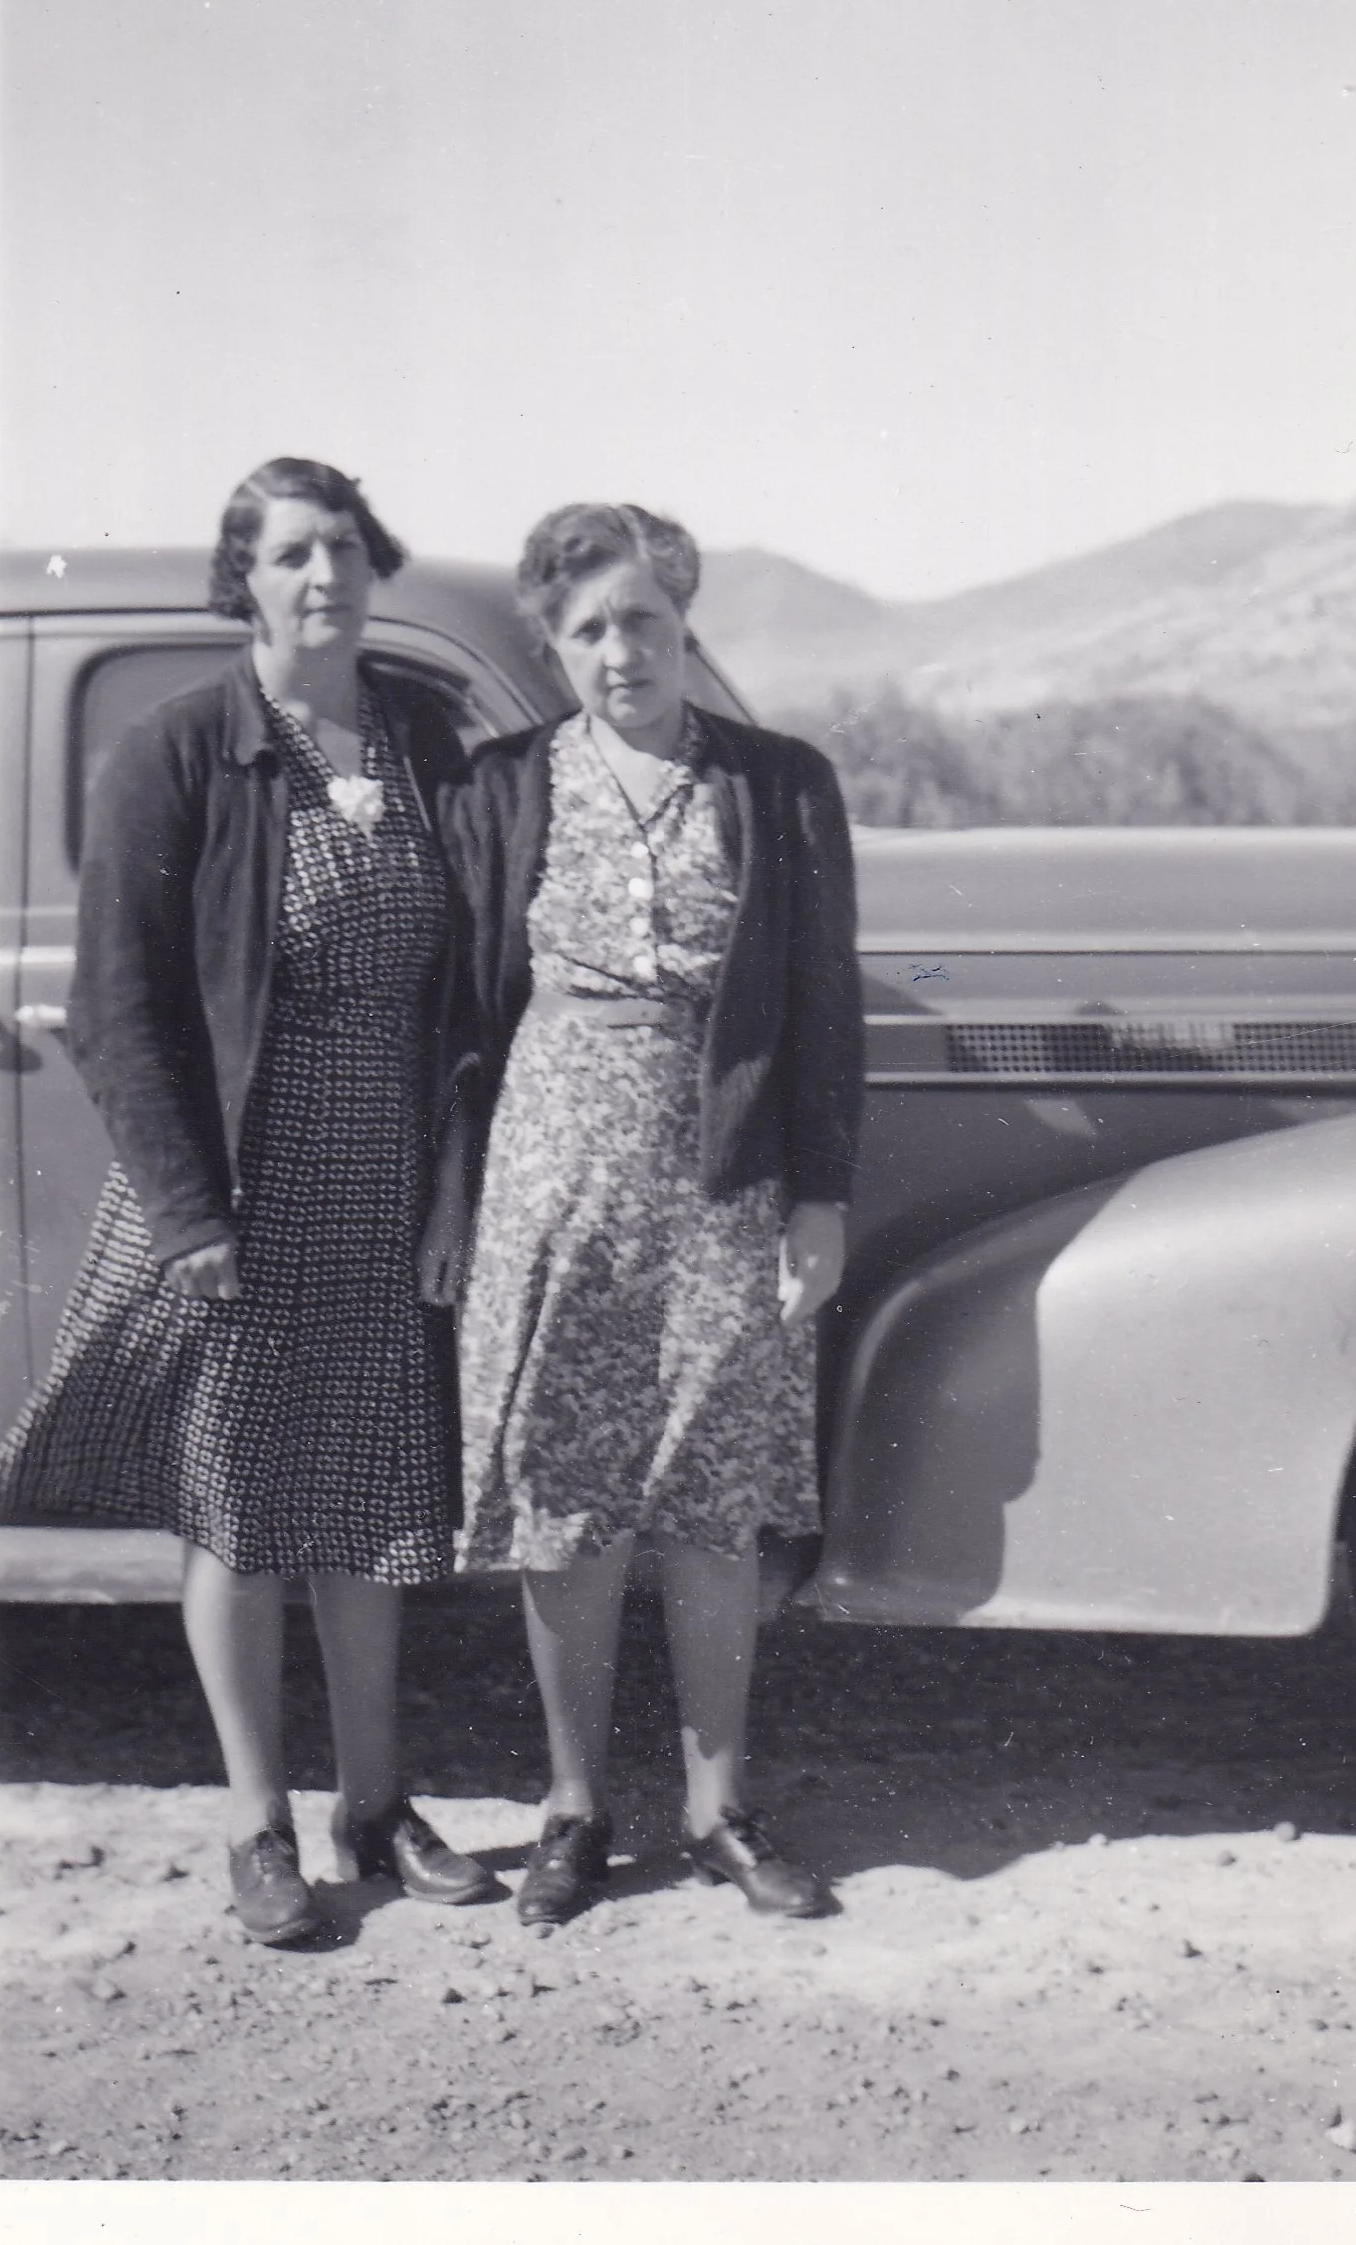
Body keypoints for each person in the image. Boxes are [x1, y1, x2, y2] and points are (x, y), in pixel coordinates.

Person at [0, 458, 495, 1946]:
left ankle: (377, 1802)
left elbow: (472, 993)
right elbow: (117, 1008)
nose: (323, 575)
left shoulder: (421, 740)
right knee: (238, 1505)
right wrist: (191, 1219)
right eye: (290, 554)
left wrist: (455, 1186)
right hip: (238, 1179)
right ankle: (258, 1822)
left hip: (390, 1173)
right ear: (246, 579)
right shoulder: (179, 750)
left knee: (372, 1502)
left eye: (344, 546)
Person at [434, 502, 864, 1927]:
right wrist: (453, 1202)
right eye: (588, 629)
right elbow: (455, 1022)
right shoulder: (501, 788)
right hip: (551, 1174)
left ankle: (719, 1808)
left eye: (645, 622)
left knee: (712, 1493)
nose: (621, 652)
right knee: (566, 1498)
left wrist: (822, 1199)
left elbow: (820, 1010)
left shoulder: (778, 783)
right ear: (553, 646)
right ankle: (571, 1806)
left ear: (686, 624)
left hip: (722, 1174)